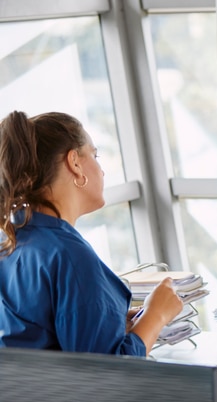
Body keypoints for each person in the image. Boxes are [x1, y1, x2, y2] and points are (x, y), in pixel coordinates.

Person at [0, 110, 183, 355]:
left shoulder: (11, 243)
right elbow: (107, 377)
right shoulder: (69, 256)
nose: (102, 171)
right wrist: (156, 315)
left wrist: (111, 323)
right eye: (95, 155)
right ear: (74, 162)